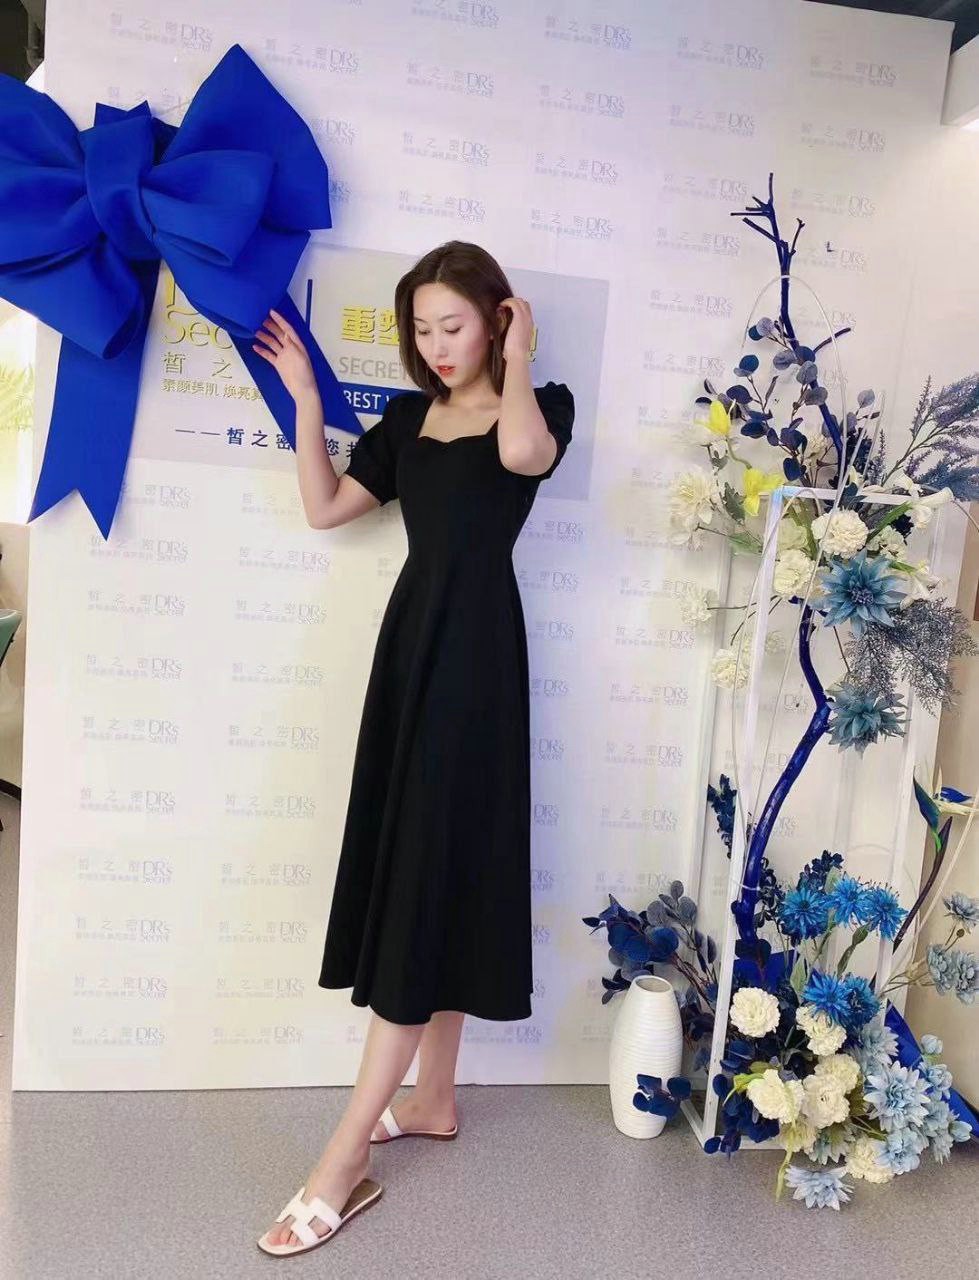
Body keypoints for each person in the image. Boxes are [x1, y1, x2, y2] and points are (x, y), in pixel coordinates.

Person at [252, 240, 574, 1255]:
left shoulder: (539, 405)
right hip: (409, 655)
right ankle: (432, 1099)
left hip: (476, 661)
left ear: (496, 319)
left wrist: (519, 356)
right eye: (422, 328)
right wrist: (307, 399)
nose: (437, 345)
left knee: (425, 880)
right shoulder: (404, 421)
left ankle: (342, 1158)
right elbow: (325, 510)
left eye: (456, 325)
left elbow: (522, 458)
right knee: (429, 869)